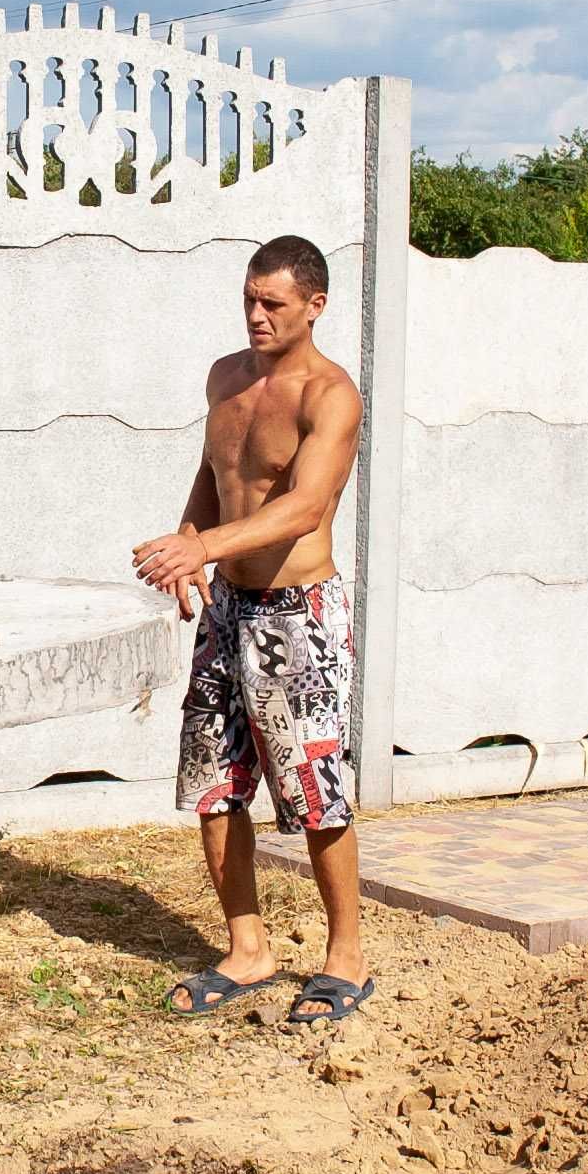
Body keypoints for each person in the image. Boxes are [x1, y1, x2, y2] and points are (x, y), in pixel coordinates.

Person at [131, 235, 373, 1029]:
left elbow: (303, 506)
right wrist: (189, 542)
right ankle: (249, 949)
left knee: (313, 790)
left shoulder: (330, 394)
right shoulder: (225, 379)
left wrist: (204, 544)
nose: (257, 315)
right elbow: (217, 471)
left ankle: (347, 959)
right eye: (248, 299)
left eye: (273, 303)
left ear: (315, 305)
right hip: (227, 605)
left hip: (296, 615)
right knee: (213, 782)